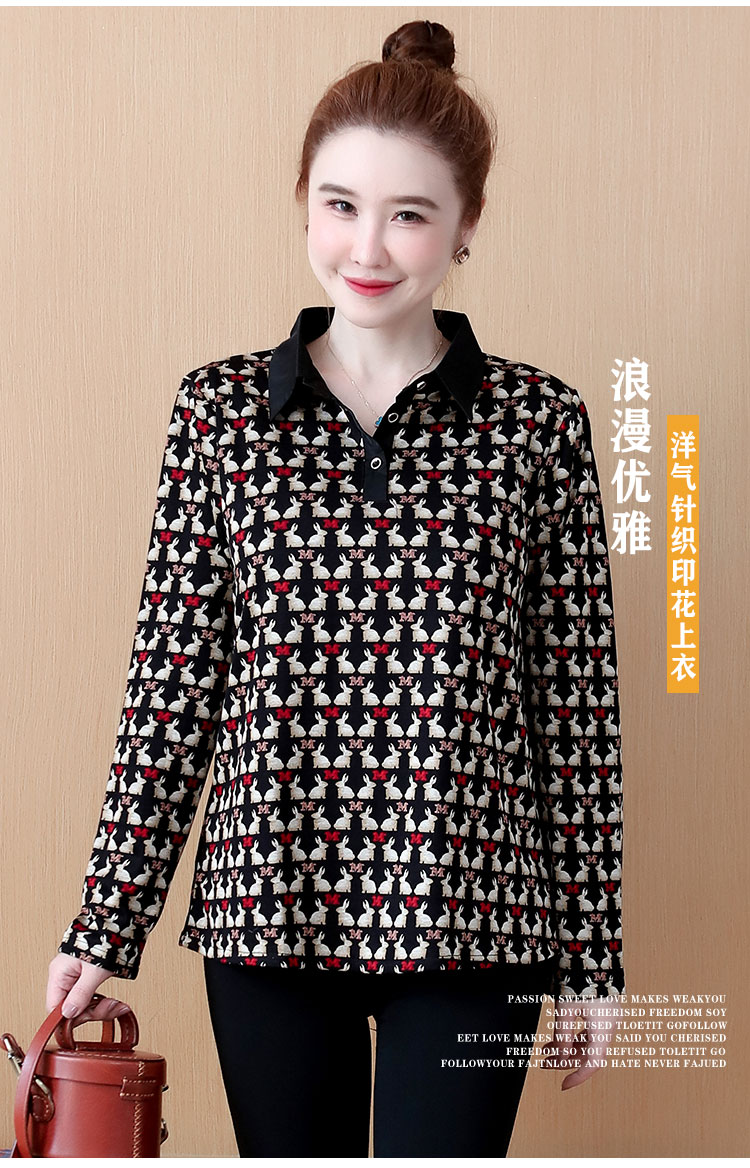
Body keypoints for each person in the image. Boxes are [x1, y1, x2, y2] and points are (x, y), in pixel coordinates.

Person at [47, 18, 625, 1158]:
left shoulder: (539, 425)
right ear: (303, 202)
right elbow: (174, 684)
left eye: (410, 214)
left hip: (477, 914)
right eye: (341, 204)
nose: (369, 246)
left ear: (467, 223)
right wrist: (105, 921)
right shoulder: (219, 415)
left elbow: (574, 706)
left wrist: (594, 953)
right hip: (268, 903)